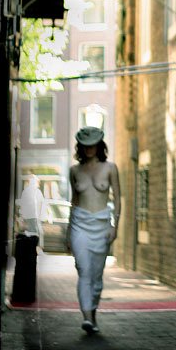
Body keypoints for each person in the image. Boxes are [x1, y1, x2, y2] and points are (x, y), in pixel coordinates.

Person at [67, 126, 121, 334]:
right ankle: (87, 318)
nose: (89, 149)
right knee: (84, 270)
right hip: (79, 225)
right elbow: (74, 201)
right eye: (85, 145)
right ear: (80, 147)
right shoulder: (74, 171)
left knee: (97, 278)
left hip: (101, 225)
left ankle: (93, 314)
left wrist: (115, 226)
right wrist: (68, 232)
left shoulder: (110, 168)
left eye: (93, 145)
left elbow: (118, 199)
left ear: (99, 146)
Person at [19, 174, 48, 250]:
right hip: (32, 216)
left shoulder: (32, 191)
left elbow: (41, 204)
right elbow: (40, 204)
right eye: (37, 182)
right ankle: (36, 248)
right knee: (35, 233)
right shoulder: (33, 191)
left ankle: (35, 248)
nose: (38, 184)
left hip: (33, 216)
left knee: (35, 233)